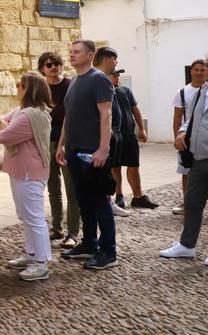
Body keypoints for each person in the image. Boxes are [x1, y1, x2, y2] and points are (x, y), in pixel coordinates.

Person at [57, 40, 119, 270]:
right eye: (70, 51)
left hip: (92, 153)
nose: (71, 55)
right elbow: (69, 116)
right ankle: (89, 244)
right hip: (74, 151)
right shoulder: (74, 81)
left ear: (90, 55)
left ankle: (109, 252)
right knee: (84, 201)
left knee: (100, 202)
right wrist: (61, 144)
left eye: (77, 52)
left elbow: (107, 115)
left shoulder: (98, 79)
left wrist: (103, 149)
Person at [0, 73, 54, 281]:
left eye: (21, 85)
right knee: (25, 215)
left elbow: (2, 135)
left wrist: (0, 126)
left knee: (34, 216)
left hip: (30, 173)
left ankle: (41, 263)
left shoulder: (30, 115)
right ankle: (31, 254)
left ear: (31, 90)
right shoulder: (23, 111)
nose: (17, 87)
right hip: (21, 170)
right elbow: (2, 122)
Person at [161, 56, 208, 262]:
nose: (205, 70)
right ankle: (187, 245)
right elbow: (191, 121)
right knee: (192, 201)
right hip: (199, 158)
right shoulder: (201, 92)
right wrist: (181, 132)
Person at [38, 51, 79, 248]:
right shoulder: (41, 88)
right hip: (46, 142)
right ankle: (57, 227)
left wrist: (62, 143)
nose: (54, 67)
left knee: (71, 189)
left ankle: (73, 232)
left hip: (67, 141)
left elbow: (71, 116)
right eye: (49, 64)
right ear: (42, 69)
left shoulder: (70, 86)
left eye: (57, 63)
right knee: (53, 187)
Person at [91, 47, 130, 218]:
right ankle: (105, 203)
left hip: (114, 132)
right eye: (115, 59)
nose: (116, 64)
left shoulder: (105, 81)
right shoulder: (97, 79)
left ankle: (109, 200)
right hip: (103, 135)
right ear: (107, 59)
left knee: (111, 168)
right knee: (104, 171)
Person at [108, 69, 156, 208]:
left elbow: (135, 109)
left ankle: (138, 196)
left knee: (134, 165)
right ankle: (119, 196)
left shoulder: (125, 90)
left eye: (118, 75)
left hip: (129, 134)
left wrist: (141, 128)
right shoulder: (104, 91)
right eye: (114, 74)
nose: (117, 77)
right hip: (115, 135)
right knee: (115, 167)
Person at [171, 59, 206, 214]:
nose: (199, 72)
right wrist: (177, 136)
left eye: (202, 69)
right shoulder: (182, 92)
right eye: (196, 69)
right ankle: (187, 203)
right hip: (187, 137)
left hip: (204, 137)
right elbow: (178, 117)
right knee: (186, 171)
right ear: (191, 71)